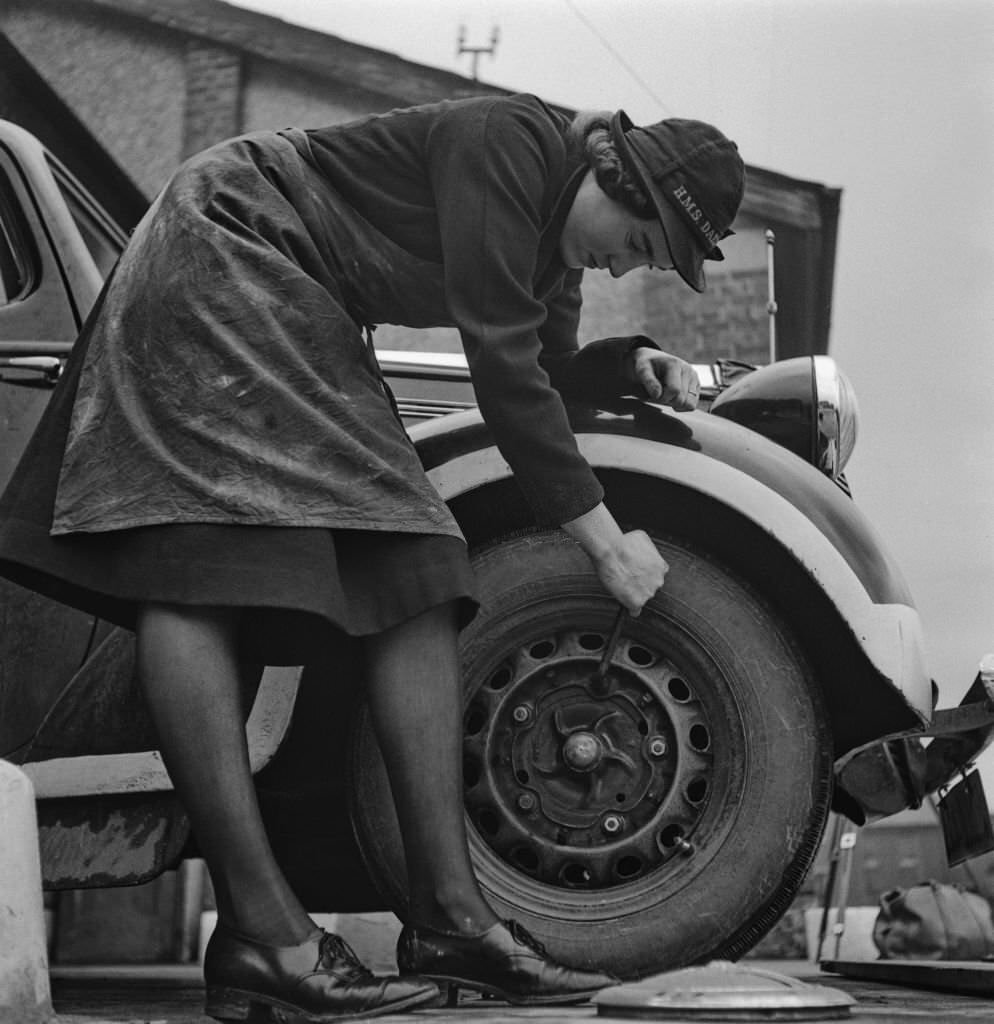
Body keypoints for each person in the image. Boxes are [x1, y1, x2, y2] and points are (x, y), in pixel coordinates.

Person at [0, 93, 744, 1022]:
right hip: (233, 236)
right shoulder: (510, 145)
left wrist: (622, 360)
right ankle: (265, 933)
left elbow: (538, 369)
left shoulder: (554, 252)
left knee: (418, 575)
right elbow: (502, 370)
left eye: (651, 262)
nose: (629, 261)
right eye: (639, 238)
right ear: (613, 172)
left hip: (293, 287)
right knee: (199, 564)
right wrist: (603, 540)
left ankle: (450, 921)